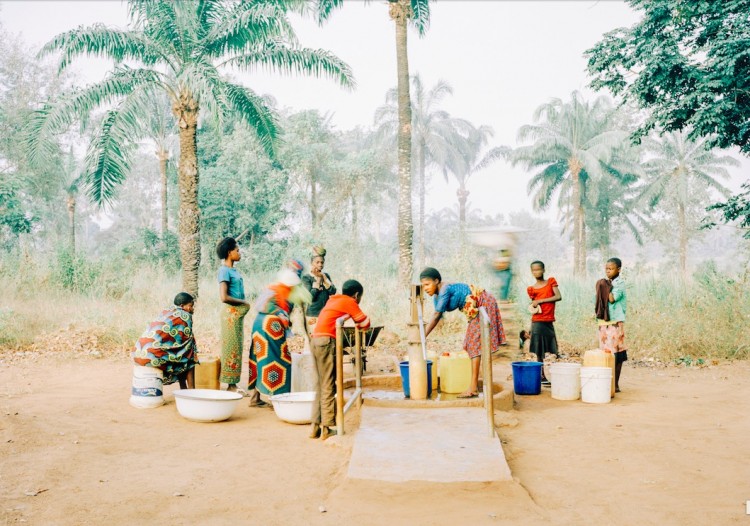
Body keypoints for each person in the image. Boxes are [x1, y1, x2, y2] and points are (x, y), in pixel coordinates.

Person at [420, 267, 506, 398]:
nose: (425, 288)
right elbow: (438, 316)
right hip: (477, 307)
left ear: (436, 281)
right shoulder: (437, 296)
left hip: (482, 303)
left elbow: (437, 315)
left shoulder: (444, 289)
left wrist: (422, 335)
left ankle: (473, 388)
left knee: (474, 344)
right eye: (423, 286)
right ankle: (475, 385)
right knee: (469, 343)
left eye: (427, 284)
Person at [309, 279, 371, 441]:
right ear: (356, 295)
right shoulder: (349, 301)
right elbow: (364, 323)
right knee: (329, 384)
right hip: (326, 342)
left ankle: (315, 426)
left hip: (315, 340)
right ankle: (326, 428)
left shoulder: (334, 299)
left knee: (320, 384)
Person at [250, 260, 312, 404]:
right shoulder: (290, 291)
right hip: (272, 326)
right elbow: (289, 315)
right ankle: (276, 400)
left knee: (258, 358)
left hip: (258, 323)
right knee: (279, 360)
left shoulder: (273, 287)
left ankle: (255, 397)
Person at [133, 292, 198, 389]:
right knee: (190, 354)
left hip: (138, 353)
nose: (192, 309)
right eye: (190, 306)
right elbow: (187, 341)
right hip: (153, 356)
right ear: (182, 306)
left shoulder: (166, 311)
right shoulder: (185, 315)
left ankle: (183, 388)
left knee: (183, 353)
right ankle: (191, 390)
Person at [217, 237, 251, 395]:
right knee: (231, 348)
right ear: (229, 253)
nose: (239, 253)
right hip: (230, 314)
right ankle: (230, 385)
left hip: (235, 314)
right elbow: (224, 297)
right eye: (237, 250)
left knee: (236, 348)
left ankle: (233, 383)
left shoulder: (233, 271)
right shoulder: (224, 270)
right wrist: (244, 302)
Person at [527, 261, 562, 384]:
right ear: (532, 272)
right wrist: (530, 328)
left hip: (548, 321)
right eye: (534, 270)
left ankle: (553, 374)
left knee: (552, 348)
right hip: (537, 321)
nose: (536, 272)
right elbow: (534, 308)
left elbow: (558, 296)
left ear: (543, 270)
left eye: (538, 269)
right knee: (539, 351)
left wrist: (540, 300)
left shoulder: (551, 282)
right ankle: (541, 376)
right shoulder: (531, 289)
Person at [597, 257, 627, 392]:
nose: (608, 271)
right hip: (604, 321)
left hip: (615, 322)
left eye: (611, 269)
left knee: (617, 353)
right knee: (606, 353)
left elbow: (612, 299)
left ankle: (615, 384)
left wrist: (605, 286)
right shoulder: (606, 283)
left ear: (619, 269)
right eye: (606, 269)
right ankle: (606, 383)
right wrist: (604, 285)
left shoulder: (619, 283)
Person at [301, 245, 336, 335]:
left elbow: (333, 292)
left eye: (322, 262)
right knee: (315, 339)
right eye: (317, 262)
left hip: (326, 314)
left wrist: (324, 279)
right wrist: (317, 282)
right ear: (312, 263)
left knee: (325, 337)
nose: (320, 265)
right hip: (313, 315)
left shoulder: (325, 276)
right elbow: (310, 298)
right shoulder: (306, 278)